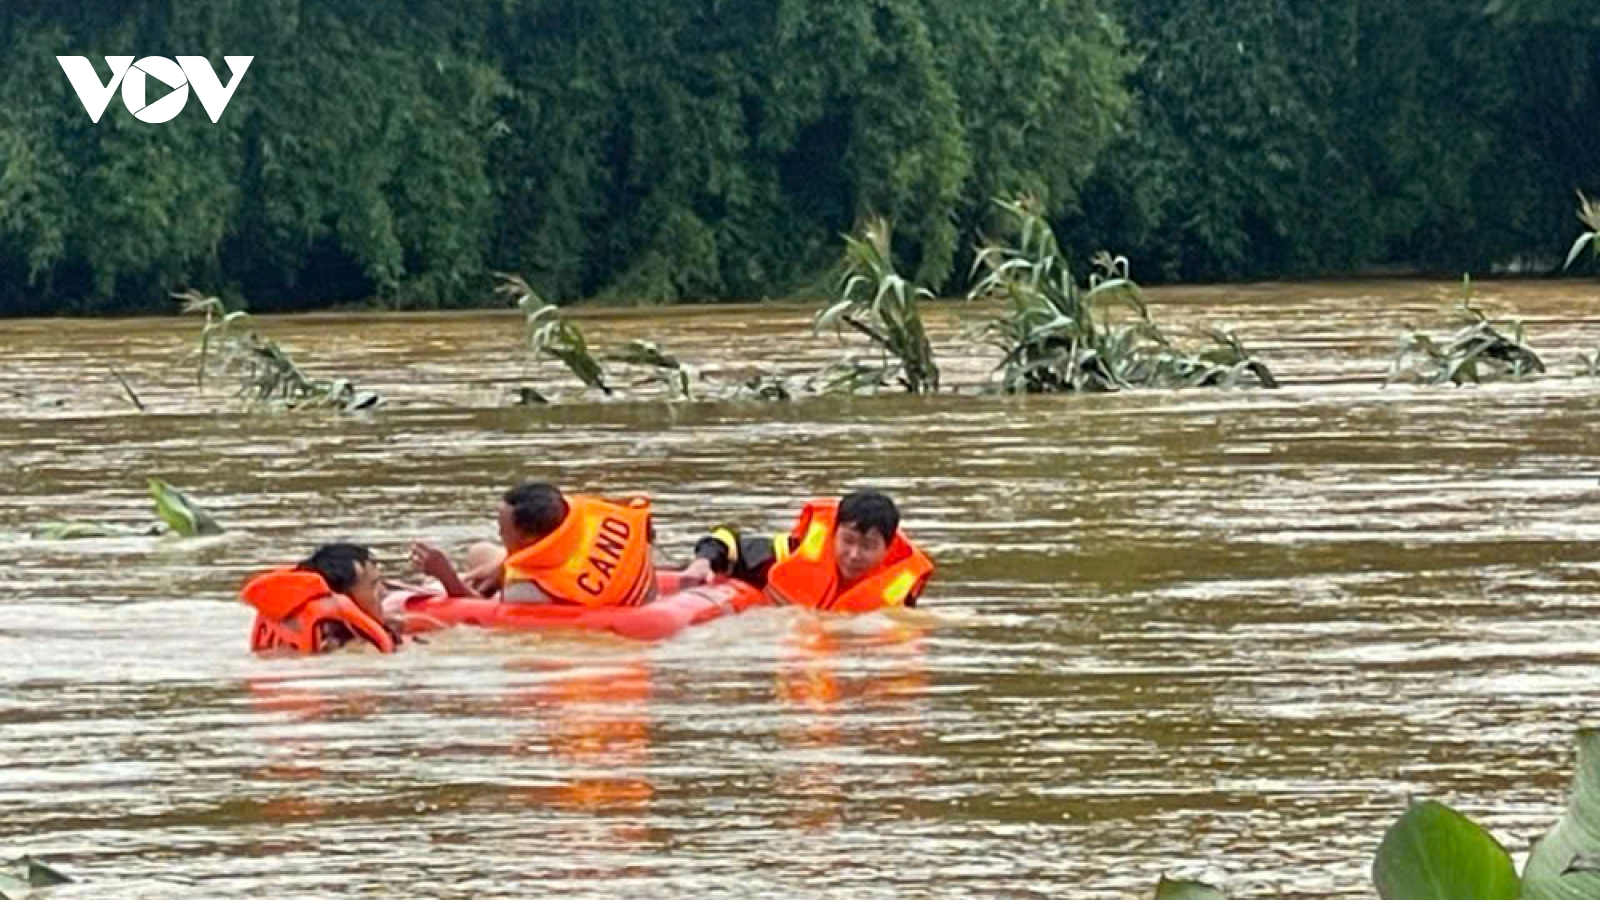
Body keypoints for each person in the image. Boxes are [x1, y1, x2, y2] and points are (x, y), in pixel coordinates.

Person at [679, 490, 933, 613]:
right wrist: (703, 561)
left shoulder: (899, 597)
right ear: (833, 535)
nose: (854, 554)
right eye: (847, 541)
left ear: (887, 549)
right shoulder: (793, 553)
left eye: (867, 546)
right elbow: (728, 541)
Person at [409, 481, 657, 607]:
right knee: (479, 552)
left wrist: (447, 578)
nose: (499, 532)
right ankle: (481, 572)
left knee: (481, 558)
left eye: (504, 530)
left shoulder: (528, 590)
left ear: (529, 539)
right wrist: (494, 570)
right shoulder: (583, 518)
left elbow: (479, 611)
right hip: (635, 580)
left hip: (602, 606)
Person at [242, 542, 399, 654]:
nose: (383, 593)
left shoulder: (289, 638)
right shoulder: (360, 651)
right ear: (342, 598)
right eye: (373, 585)